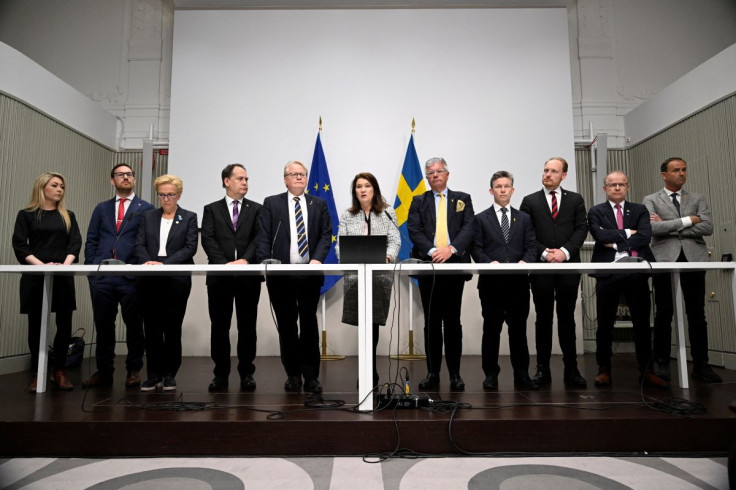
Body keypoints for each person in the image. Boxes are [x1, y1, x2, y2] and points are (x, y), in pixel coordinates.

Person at [255, 161, 333, 394]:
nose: (299, 177)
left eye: (302, 174)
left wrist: (317, 259)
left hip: (309, 273)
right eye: (294, 174)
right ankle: (292, 374)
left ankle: (311, 376)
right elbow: (263, 235)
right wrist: (264, 260)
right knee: (287, 326)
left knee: (309, 324)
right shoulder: (272, 203)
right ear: (285, 179)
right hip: (281, 274)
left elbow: (325, 235)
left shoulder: (318, 203)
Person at [643, 157, 722, 383]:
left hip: (694, 259)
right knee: (664, 312)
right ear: (664, 175)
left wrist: (672, 226)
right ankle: (661, 363)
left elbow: (708, 227)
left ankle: (701, 365)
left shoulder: (697, 198)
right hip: (664, 260)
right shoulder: (651, 199)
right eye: (676, 170)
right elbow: (652, 228)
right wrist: (688, 220)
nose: (682, 174)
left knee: (697, 313)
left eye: (684, 170)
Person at [588, 171, 667, 388]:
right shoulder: (596, 211)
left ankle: (647, 370)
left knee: (642, 324)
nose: (617, 188)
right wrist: (628, 232)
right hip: (608, 274)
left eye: (621, 184)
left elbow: (644, 236)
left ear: (627, 187)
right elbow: (599, 236)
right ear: (605, 188)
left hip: (636, 272)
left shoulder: (640, 210)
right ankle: (604, 369)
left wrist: (616, 243)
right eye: (612, 185)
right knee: (604, 324)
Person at [82, 164, 153, 389]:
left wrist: (138, 268)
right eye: (121, 175)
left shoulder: (146, 208)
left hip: (131, 275)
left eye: (129, 174)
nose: (126, 177)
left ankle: (134, 370)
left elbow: (147, 241)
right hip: (102, 276)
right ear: (112, 180)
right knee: (103, 325)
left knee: (134, 325)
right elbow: (92, 239)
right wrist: (92, 268)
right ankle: (104, 371)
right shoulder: (101, 208)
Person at [407, 157, 475, 391]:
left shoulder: (463, 199)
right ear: (427, 177)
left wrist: (450, 250)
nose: (435, 175)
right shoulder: (418, 201)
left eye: (439, 171)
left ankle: (455, 374)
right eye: (431, 173)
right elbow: (414, 230)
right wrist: (435, 251)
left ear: (447, 174)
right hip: (429, 269)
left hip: (455, 268)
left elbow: (469, 227)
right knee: (432, 323)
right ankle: (432, 373)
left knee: (453, 323)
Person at [519, 157, 588, 388]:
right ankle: (542, 371)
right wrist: (545, 254)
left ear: (564, 175)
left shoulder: (576, 200)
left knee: (567, 319)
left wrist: (565, 252)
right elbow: (525, 233)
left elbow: (581, 229)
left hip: (568, 267)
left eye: (554, 171)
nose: (548, 174)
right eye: (546, 170)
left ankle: (572, 370)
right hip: (541, 268)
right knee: (543, 319)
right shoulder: (529, 201)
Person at [12, 172, 82, 393]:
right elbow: (21, 246)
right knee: (36, 324)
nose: (60, 189)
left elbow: (75, 244)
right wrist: (42, 265)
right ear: (42, 188)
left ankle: (59, 370)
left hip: (62, 275)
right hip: (35, 275)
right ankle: (38, 371)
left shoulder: (67, 215)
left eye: (62, 185)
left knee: (64, 323)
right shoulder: (26, 215)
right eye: (55, 185)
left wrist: (64, 265)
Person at [471, 171, 538, 391]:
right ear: (491, 191)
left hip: (518, 283)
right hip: (491, 284)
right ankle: (490, 375)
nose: (502, 190)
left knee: (518, 331)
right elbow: (476, 248)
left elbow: (531, 247)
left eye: (506, 186)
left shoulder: (525, 218)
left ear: (512, 190)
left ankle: (522, 375)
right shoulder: (480, 218)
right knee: (491, 331)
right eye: (498, 186)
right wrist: (488, 263)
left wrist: (524, 262)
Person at [201, 164, 263, 392]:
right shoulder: (211, 209)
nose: (245, 182)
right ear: (227, 181)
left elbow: (259, 238)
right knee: (219, 327)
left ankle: (247, 373)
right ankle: (220, 375)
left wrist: (245, 260)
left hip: (248, 277)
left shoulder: (257, 209)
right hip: (220, 277)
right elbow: (207, 239)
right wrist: (223, 264)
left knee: (247, 327)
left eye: (247, 179)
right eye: (240, 178)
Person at [335, 172, 401, 387]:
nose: (362, 190)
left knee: (373, 324)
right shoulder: (347, 215)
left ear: (375, 189)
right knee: (362, 325)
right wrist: (344, 257)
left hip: (379, 276)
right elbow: (339, 245)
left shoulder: (387, 212)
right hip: (355, 277)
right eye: (358, 186)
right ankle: (365, 370)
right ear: (355, 191)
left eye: (367, 186)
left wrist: (388, 256)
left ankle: (370, 371)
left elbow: (395, 240)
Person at [135, 174, 198, 391]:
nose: (166, 199)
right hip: (150, 277)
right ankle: (153, 375)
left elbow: (190, 248)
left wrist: (165, 264)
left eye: (170, 194)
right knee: (151, 328)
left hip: (175, 279)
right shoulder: (148, 217)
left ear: (178, 195)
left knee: (172, 327)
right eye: (162, 195)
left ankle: (170, 373)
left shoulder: (189, 217)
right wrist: (149, 262)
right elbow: (139, 244)